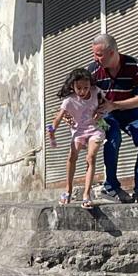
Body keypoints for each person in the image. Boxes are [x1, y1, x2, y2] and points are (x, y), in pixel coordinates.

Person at [88, 33, 138, 204]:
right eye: (94, 54)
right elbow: (84, 96)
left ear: (112, 53)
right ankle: (111, 187)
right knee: (113, 137)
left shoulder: (135, 66)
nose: (95, 58)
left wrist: (115, 105)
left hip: (131, 111)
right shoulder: (93, 70)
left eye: (99, 54)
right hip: (106, 115)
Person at [47, 68, 106, 209]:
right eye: (79, 88)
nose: (83, 91)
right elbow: (58, 117)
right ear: (72, 86)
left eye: (86, 87)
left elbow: (105, 104)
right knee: (72, 156)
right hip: (79, 131)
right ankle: (68, 190)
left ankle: (86, 194)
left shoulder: (96, 92)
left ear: (90, 85)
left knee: (91, 157)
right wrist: (52, 130)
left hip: (95, 129)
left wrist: (100, 111)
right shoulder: (69, 101)